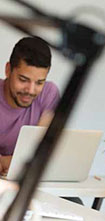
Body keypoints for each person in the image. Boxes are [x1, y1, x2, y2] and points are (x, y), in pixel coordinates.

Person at [0, 37, 60, 175]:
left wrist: (7, 161)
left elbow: (41, 151)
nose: (31, 90)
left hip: (26, 181)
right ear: (8, 70)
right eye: (23, 80)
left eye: (39, 82)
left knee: (71, 198)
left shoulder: (49, 93)